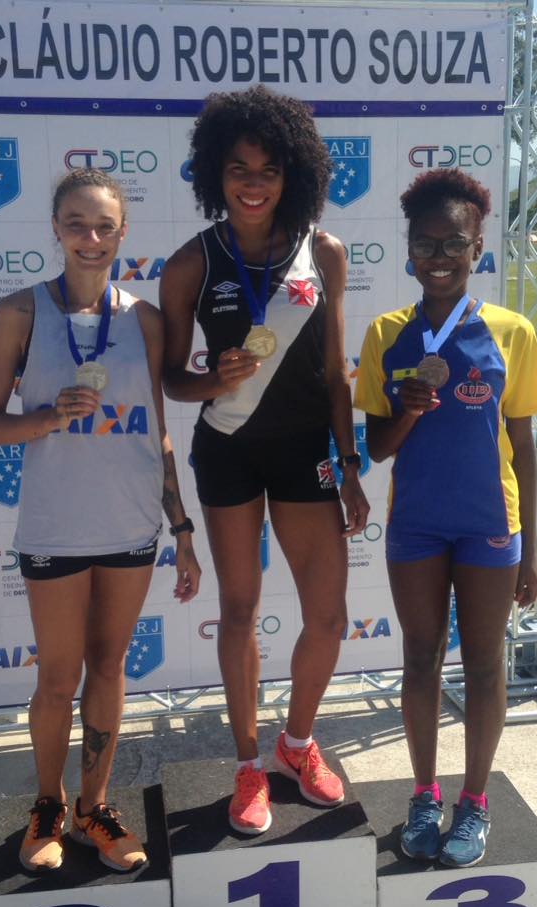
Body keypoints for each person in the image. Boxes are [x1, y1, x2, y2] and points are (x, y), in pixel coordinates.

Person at [0, 168, 201, 873]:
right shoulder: (19, 312)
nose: (91, 238)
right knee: (57, 677)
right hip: (55, 529)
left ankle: (93, 807)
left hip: (131, 528)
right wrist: (47, 417)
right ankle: (47, 803)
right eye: (77, 224)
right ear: (56, 228)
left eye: (105, 226)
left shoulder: (145, 320)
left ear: (123, 232)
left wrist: (182, 527)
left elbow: (157, 428)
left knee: (108, 667)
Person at [161, 85, 369, 835]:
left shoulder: (324, 251)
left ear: (294, 175)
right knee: (240, 611)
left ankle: (297, 744)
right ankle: (249, 765)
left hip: (305, 449)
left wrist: (350, 464)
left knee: (329, 616)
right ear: (215, 172)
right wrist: (211, 380)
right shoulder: (190, 263)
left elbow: (336, 370)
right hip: (228, 450)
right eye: (239, 169)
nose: (253, 184)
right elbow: (172, 379)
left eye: (269, 170)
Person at [354, 168, 537, 867]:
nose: (439, 257)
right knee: (419, 658)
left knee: (486, 663)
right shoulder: (386, 333)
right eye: (426, 244)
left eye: (454, 243)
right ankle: (424, 795)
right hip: (417, 523)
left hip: (490, 523)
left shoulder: (512, 332)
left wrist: (530, 547)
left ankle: (474, 801)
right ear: (408, 250)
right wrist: (407, 411)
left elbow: (524, 446)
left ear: (477, 249)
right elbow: (377, 448)